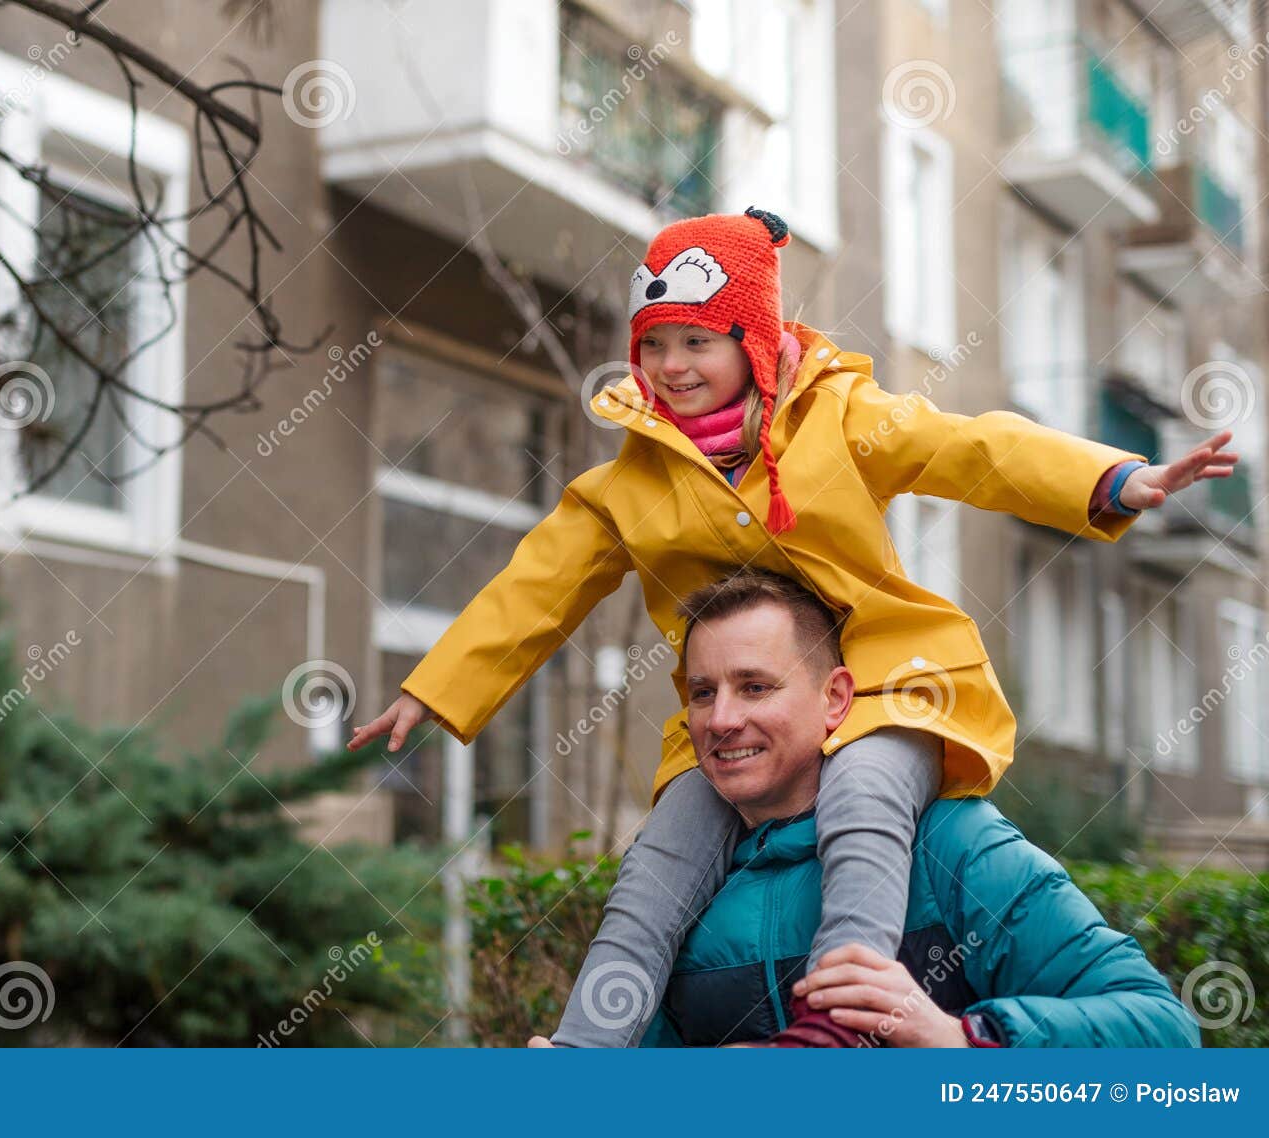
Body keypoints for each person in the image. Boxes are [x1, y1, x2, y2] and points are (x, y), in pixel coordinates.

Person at [348, 208, 1235, 1046]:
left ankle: (841, 1012)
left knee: (864, 796)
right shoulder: (629, 482)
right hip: (743, 688)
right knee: (657, 870)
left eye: (697, 340)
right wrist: (436, 688)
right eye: (653, 345)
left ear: (753, 342)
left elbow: (970, 448)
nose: (672, 364)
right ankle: (585, 1051)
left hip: (885, 684)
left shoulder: (839, 419)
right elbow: (535, 586)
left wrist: (1112, 480)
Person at [550, 570, 1199, 1048]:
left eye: (755, 687)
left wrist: (957, 1038)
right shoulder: (679, 887)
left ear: (836, 699)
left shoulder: (954, 845)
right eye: (702, 692)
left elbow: (1163, 1033)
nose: (722, 719)